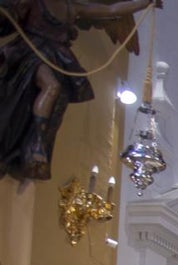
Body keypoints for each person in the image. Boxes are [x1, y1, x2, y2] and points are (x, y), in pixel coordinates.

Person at [0, 0, 159, 181]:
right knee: (51, 86)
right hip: (31, 52)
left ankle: (35, 142)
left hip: (56, 57)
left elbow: (111, 9)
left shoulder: (72, 8)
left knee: (55, 98)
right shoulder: (36, 2)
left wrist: (144, 3)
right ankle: (36, 141)